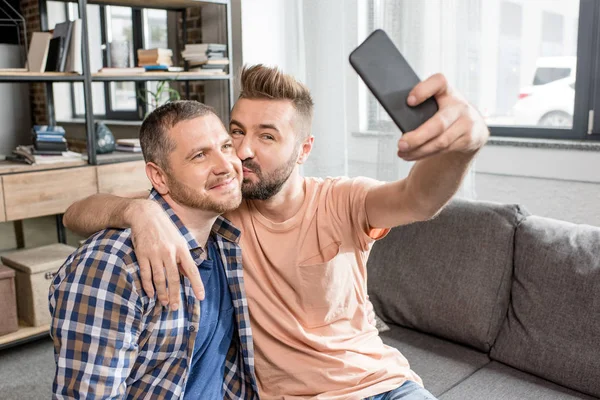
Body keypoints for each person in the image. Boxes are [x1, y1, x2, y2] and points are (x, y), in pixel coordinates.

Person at [64, 64, 489, 399]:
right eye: (237, 133)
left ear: (304, 149)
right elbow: (76, 213)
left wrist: (460, 148)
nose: (243, 153)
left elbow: (418, 199)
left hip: (384, 385)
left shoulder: (341, 200)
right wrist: (137, 211)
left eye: (267, 136)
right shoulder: (219, 205)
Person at [49, 101, 258, 399]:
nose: (226, 166)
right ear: (159, 177)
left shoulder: (223, 239)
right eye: (199, 155)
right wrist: (137, 211)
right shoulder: (113, 265)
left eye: (226, 146)